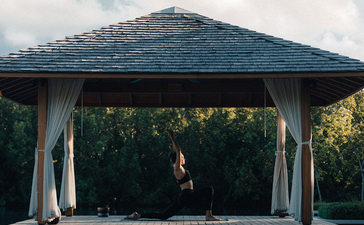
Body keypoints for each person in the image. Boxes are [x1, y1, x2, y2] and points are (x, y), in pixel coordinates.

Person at [124, 130, 221, 221]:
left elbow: (176, 150)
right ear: (178, 159)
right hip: (186, 196)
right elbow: (178, 151)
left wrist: (172, 139)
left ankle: (138, 215)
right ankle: (208, 215)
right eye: (182, 156)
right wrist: (172, 137)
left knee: (163, 216)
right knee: (209, 189)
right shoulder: (177, 169)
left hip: (183, 197)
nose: (184, 157)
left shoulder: (179, 168)